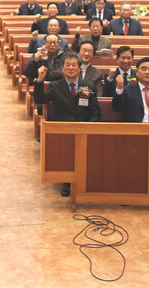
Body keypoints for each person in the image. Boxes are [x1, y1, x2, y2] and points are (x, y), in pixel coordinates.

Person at [32, 52, 100, 196]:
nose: (70, 68)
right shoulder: (55, 86)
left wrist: (89, 127)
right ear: (62, 68)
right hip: (63, 130)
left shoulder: (87, 87)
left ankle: (84, 180)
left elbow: (95, 112)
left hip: (83, 128)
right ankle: (67, 182)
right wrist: (39, 80)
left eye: (74, 65)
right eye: (67, 65)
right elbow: (40, 99)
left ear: (79, 68)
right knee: (68, 154)